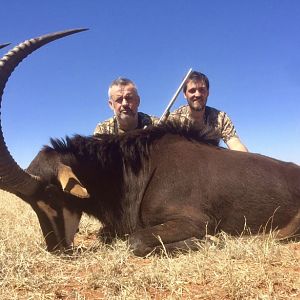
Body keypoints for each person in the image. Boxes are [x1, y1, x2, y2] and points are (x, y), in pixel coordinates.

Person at [169, 71, 248, 152]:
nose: (197, 94)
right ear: (185, 94)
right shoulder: (174, 119)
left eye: (202, 90)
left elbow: (235, 143)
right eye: (192, 90)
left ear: (208, 93)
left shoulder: (221, 117)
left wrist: (247, 160)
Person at [94, 77, 158, 135]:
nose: (124, 103)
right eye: (119, 99)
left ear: (138, 101)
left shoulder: (156, 125)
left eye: (129, 98)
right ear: (111, 104)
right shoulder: (102, 130)